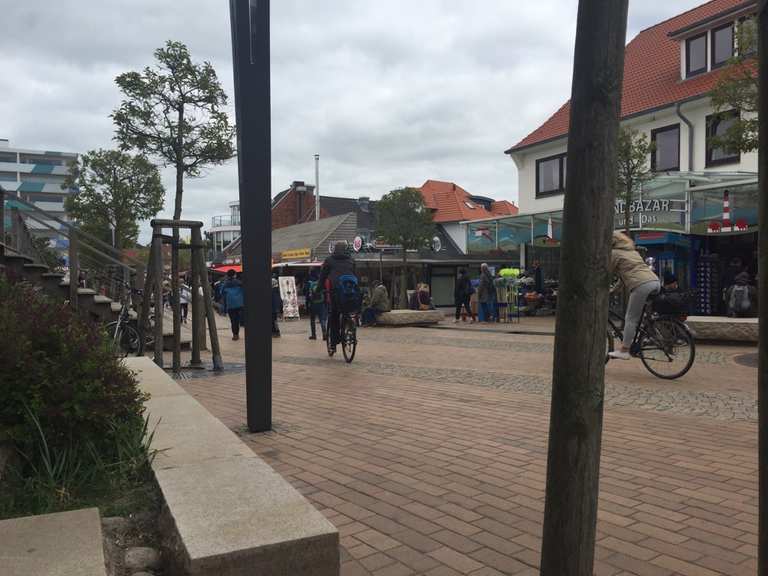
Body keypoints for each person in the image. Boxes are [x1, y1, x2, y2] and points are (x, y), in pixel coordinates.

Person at [608, 231, 661, 360]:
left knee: (631, 318)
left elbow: (606, 273)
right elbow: (624, 276)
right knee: (639, 316)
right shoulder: (632, 252)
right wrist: (614, 290)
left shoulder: (614, 254)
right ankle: (650, 334)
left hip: (641, 284)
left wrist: (604, 289)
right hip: (655, 281)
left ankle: (625, 350)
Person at [316, 241, 356, 351]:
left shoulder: (329, 260)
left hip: (335, 293)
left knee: (334, 315)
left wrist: (318, 290)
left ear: (334, 249)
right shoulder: (351, 260)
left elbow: (322, 278)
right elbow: (355, 275)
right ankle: (350, 327)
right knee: (348, 311)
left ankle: (334, 342)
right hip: (350, 294)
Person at [221, 269, 245, 340]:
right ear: (234, 275)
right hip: (240, 304)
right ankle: (237, 332)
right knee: (238, 320)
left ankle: (235, 335)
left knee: (233, 321)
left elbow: (221, 292)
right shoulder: (239, 282)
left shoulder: (225, 284)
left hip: (230, 305)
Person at [304, 269, 327, 340]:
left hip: (313, 304)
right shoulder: (321, 283)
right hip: (321, 303)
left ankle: (314, 335)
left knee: (312, 320)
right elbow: (325, 292)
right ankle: (324, 334)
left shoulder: (309, 283)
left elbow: (307, 294)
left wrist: (307, 304)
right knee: (322, 319)